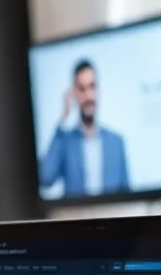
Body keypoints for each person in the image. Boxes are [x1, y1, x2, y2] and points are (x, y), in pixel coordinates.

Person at [38, 59, 130, 197]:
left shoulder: (116, 142)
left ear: (98, 90)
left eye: (92, 87)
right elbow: (45, 177)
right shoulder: (66, 142)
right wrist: (63, 119)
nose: (88, 96)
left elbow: (126, 194)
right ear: (74, 93)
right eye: (82, 89)